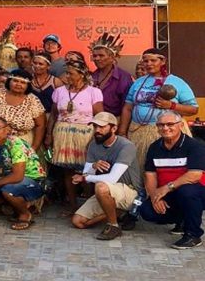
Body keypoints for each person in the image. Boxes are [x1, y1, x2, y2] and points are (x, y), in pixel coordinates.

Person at [118, 48, 198, 172]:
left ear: (163, 61)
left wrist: (170, 105)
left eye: (153, 60)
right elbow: (128, 108)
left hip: (165, 131)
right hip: (137, 131)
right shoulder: (138, 82)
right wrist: (122, 132)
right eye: (145, 61)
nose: (148, 64)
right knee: (139, 167)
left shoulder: (177, 82)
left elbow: (193, 109)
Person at [45, 59, 103, 216]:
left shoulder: (93, 92)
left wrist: (96, 138)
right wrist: (49, 134)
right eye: (66, 73)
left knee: (87, 170)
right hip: (62, 133)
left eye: (70, 73)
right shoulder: (59, 91)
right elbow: (53, 115)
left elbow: (99, 116)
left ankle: (90, 207)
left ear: (82, 74)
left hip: (85, 134)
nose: (67, 76)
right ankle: (72, 206)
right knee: (67, 172)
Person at [71, 112, 142, 240]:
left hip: (130, 191)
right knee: (78, 221)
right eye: (95, 127)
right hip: (107, 191)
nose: (97, 130)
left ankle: (113, 225)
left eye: (102, 127)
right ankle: (117, 212)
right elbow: (87, 171)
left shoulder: (126, 146)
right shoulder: (93, 145)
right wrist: (93, 167)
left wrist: (84, 178)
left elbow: (111, 179)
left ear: (114, 128)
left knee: (101, 187)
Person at [140, 111, 205, 249]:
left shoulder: (194, 146)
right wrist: (155, 197)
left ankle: (193, 234)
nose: (165, 128)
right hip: (171, 193)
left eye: (170, 124)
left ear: (180, 125)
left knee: (186, 191)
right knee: (146, 211)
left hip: (196, 191)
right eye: (161, 125)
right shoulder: (154, 147)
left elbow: (194, 175)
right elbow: (150, 175)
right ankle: (181, 219)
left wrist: (166, 188)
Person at [0, 116, 46, 229]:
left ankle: (25, 213)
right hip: (14, 180)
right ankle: (22, 206)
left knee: (8, 191)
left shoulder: (16, 144)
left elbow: (18, 176)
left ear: (7, 129)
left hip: (34, 180)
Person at [90, 36, 132, 118]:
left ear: (112, 57)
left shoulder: (123, 77)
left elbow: (127, 106)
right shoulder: (90, 76)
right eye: (94, 56)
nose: (97, 59)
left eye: (101, 55)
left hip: (115, 121)